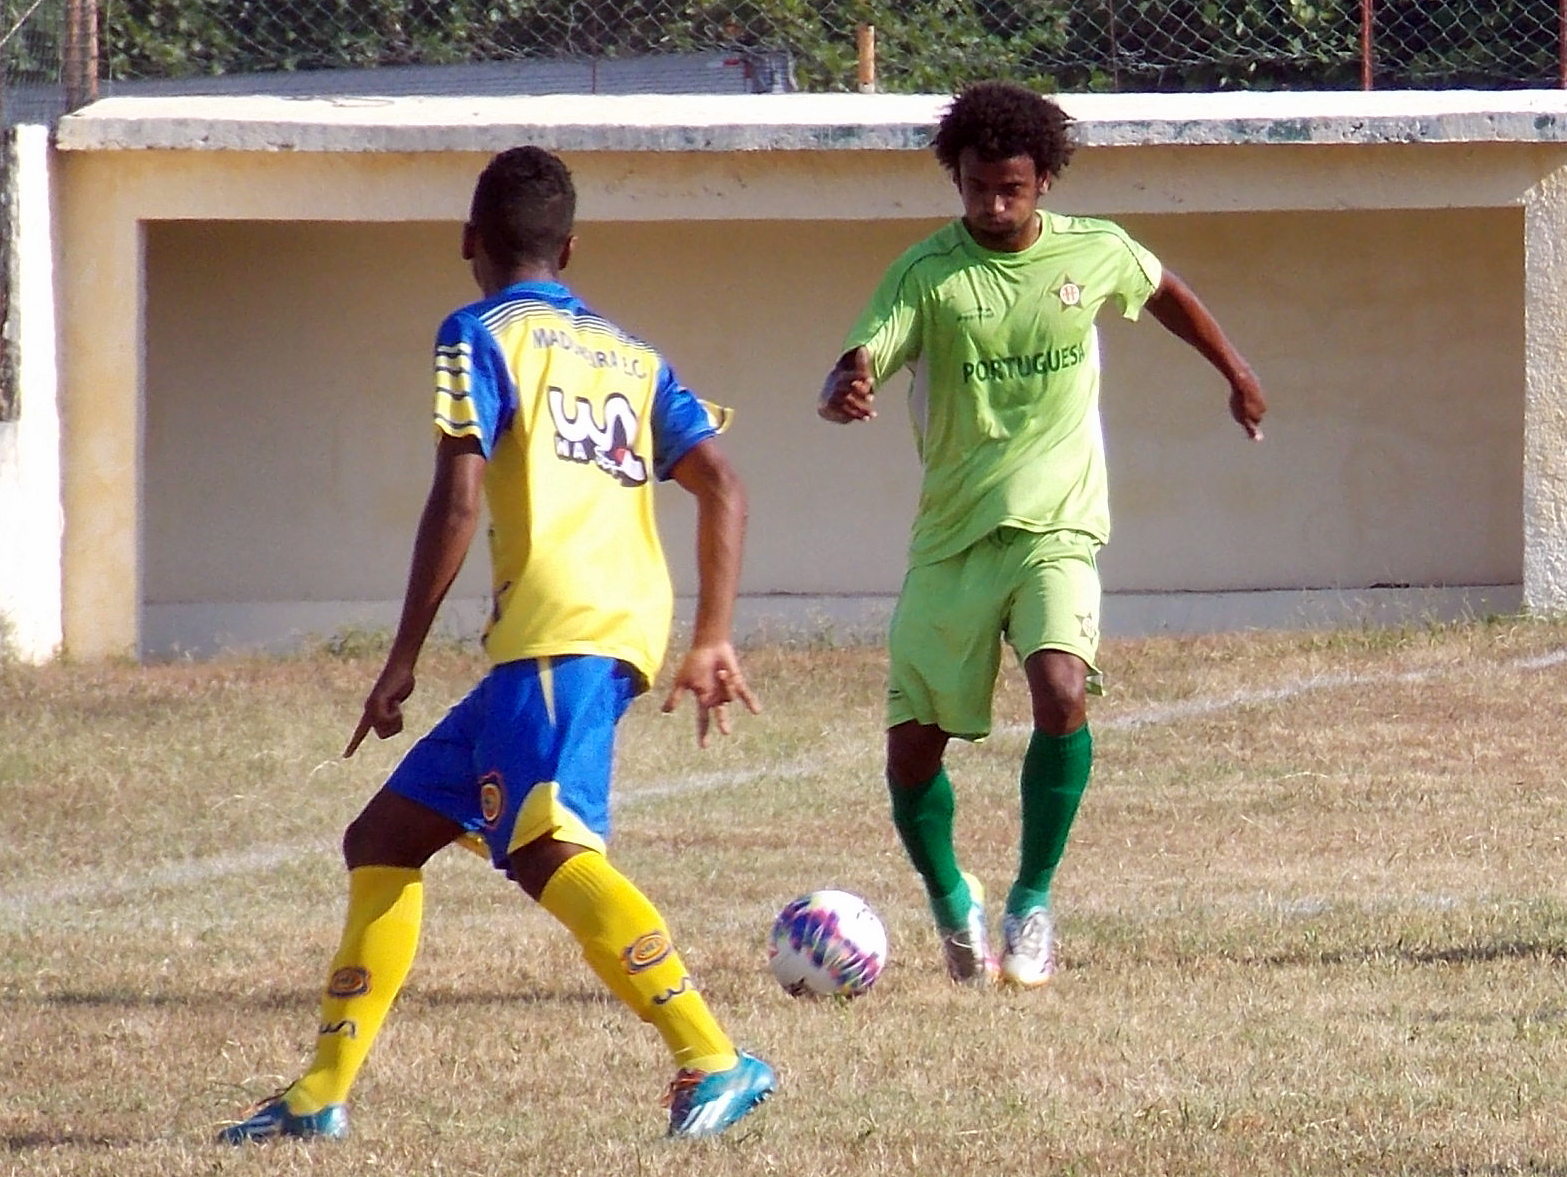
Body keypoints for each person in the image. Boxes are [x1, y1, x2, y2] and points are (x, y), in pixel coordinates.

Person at [219, 146, 774, 1143]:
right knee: (383, 838)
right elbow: (722, 482)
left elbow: (459, 491)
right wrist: (711, 634)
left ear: (469, 241)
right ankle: (317, 1094)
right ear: (568, 248)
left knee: (548, 846)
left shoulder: (474, 331)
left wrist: (400, 658)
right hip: (586, 629)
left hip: (564, 627)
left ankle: (713, 1055)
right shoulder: (631, 353)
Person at [817, 81, 1267, 989]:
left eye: (1010, 188)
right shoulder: (927, 275)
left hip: (1057, 525)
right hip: (952, 539)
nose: (992, 204)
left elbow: (1164, 289)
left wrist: (1236, 371)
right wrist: (844, 385)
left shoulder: (1092, 252)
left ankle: (1030, 899)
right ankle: (951, 894)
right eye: (977, 186)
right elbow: (866, 351)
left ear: (1045, 180)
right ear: (957, 178)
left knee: (1061, 688)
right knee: (912, 751)